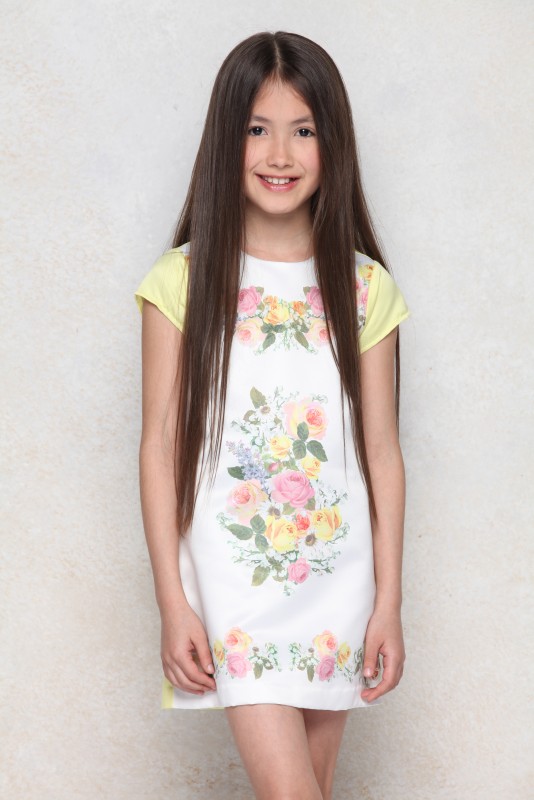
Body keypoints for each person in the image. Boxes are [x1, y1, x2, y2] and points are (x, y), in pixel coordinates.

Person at [134, 30, 411, 800]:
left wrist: (389, 601)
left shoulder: (365, 288)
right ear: (226, 141)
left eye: (304, 130)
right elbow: (158, 446)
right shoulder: (182, 280)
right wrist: (171, 600)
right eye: (257, 128)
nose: (279, 153)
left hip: (338, 585)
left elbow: (382, 452)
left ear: (333, 143)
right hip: (236, 587)